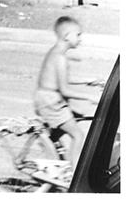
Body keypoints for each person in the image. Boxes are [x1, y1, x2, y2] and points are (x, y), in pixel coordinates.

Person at [33, 16, 102, 185]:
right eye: (78, 34)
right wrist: (90, 97)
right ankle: (74, 178)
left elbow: (60, 80)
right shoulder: (61, 58)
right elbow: (65, 90)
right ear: (66, 36)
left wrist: (87, 81)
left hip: (48, 98)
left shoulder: (56, 52)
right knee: (78, 135)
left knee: (75, 118)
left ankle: (52, 156)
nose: (80, 38)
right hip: (52, 102)